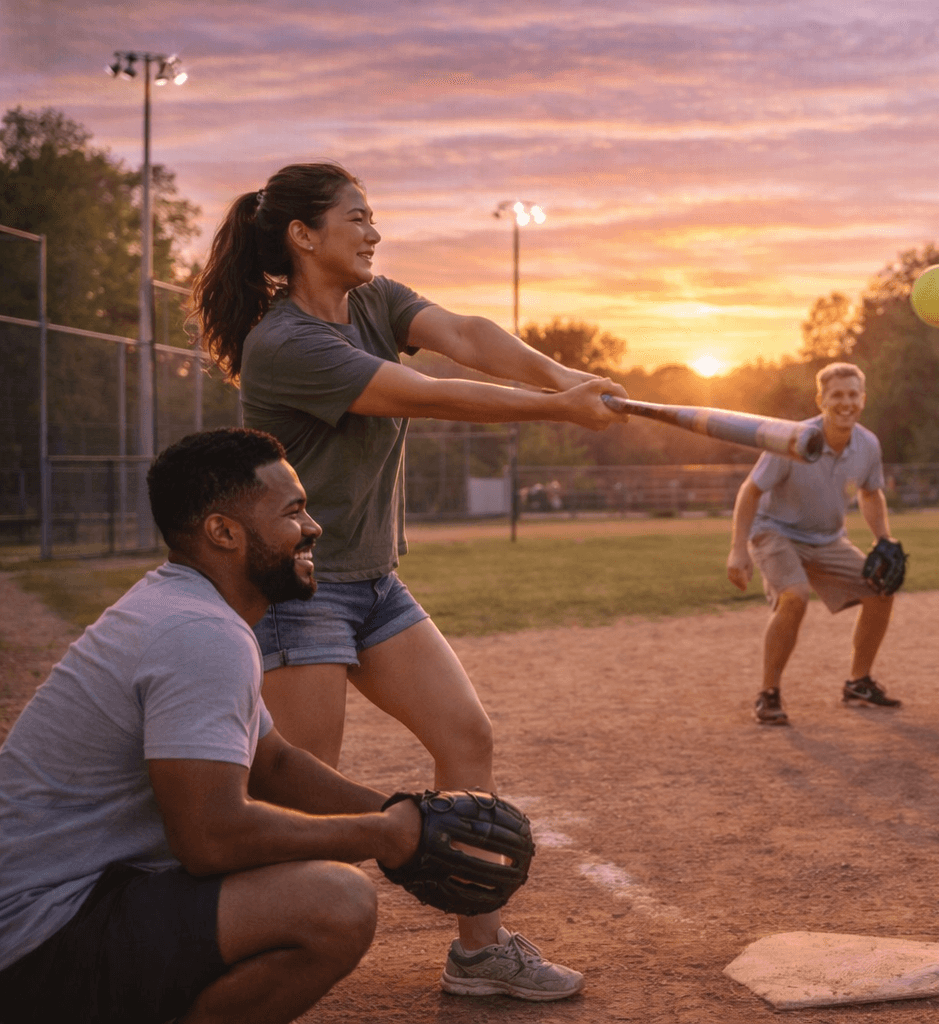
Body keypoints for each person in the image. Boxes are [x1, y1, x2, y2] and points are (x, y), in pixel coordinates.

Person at [193, 163, 620, 996]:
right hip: (299, 590)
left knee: (467, 737)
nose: (374, 231)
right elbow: (422, 393)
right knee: (303, 793)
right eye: (358, 217)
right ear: (303, 236)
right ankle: (241, 956)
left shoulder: (371, 300)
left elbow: (468, 336)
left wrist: (563, 378)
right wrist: (558, 409)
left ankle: (479, 951)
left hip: (374, 581)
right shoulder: (283, 342)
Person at [0, 429, 428, 1024]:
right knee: (337, 903)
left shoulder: (187, 608)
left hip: (67, 906)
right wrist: (386, 838)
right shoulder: (201, 633)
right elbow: (212, 839)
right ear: (223, 532)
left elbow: (272, 762)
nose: (313, 527)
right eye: (293, 511)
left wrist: (409, 815)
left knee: (295, 872)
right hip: (35, 942)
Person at [726, 362, 901, 725]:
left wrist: (883, 538)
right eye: (837, 395)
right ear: (821, 400)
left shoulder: (867, 444)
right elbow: (751, 491)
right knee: (795, 596)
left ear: (863, 399)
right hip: (775, 531)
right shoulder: (794, 439)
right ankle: (768, 693)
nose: (846, 402)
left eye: (853, 394)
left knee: (882, 588)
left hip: (827, 539)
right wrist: (738, 548)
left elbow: (871, 494)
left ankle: (858, 681)